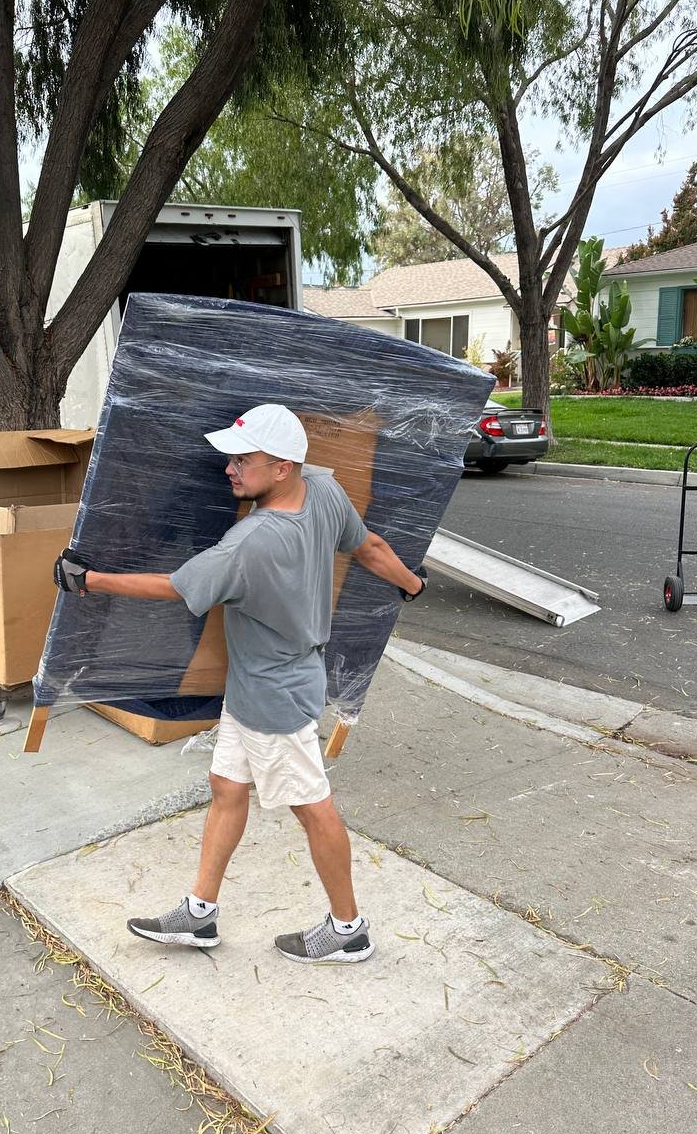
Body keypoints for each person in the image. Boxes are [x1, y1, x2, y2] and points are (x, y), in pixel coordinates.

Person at [54, 404, 425, 964]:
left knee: (313, 807)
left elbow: (176, 587)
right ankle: (199, 915)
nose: (228, 468)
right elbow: (368, 546)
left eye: (241, 460)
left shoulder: (252, 541)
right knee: (227, 786)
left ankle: (348, 927)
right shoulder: (322, 489)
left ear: (280, 468)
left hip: (275, 696)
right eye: (229, 457)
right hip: (261, 683)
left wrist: (91, 581)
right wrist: (412, 584)